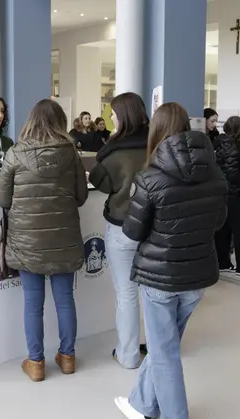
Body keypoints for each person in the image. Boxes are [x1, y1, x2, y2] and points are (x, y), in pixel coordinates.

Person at [113, 102, 227, 419]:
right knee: (167, 344)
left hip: (160, 277)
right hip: (197, 278)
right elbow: (218, 223)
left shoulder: (149, 179)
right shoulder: (215, 174)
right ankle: (140, 404)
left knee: (163, 349)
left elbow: (133, 232)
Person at [0, 99, 88, 382]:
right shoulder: (71, 153)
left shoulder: (14, 153)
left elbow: (2, 198)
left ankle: (36, 363)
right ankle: (68, 357)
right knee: (65, 300)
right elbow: (82, 197)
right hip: (64, 239)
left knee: (32, 303)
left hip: (27, 242)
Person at [88, 92, 150, 369]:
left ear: (123, 116)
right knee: (154, 293)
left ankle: (128, 354)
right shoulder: (157, 145)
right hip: (155, 228)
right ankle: (158, 349)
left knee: (127, 294)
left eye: (113, 113)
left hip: (122, 227)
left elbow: (100, 182)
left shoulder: (113, 152)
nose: (110, 117)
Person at [213, 116, 240, 278]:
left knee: (222, 230)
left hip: (220, 193)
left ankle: (222, 262)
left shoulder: (219, 143)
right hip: (233, 193)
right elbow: (233, 175)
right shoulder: (234, 147)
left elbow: (225, 167)